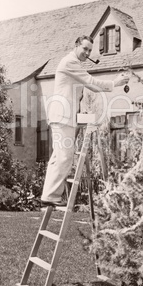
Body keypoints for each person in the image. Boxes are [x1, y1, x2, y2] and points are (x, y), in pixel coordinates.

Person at [41, 35, 129, 206]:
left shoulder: (74, 64)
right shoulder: (70, 62)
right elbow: (92, 83)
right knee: (64, 157)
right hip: (62, 116)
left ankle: (49, 195)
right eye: (85, 49)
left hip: (65, 116)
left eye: (90, 50)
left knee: (59, 156)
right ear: (76, 46)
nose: (87, 52)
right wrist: (115, 83)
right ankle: (50, 197)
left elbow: (82, 90)